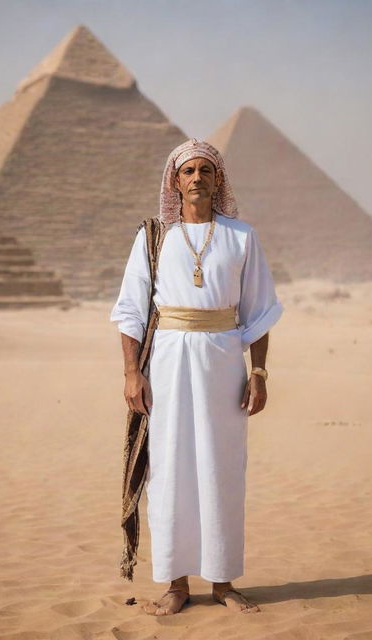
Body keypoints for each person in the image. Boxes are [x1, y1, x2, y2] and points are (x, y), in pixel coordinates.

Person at [110, 138, 283, 615]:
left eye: (206, 170)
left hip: (224, 363)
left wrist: (259, 372)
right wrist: (131, 373)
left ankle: (224, 582)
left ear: (218, 179)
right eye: (187, 171)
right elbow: (129, 311)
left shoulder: (242, 236)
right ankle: (176, 583)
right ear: (174, 181)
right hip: (166, 363)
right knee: (170, 470)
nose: (197, 178)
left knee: (221, 470)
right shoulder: (152, 239)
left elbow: (259, 313)